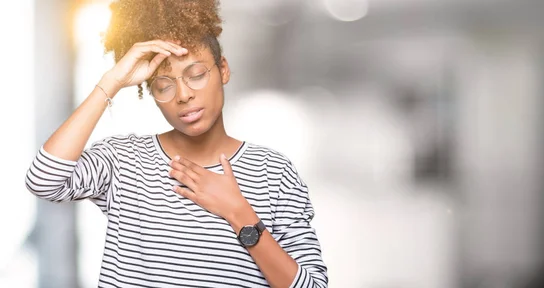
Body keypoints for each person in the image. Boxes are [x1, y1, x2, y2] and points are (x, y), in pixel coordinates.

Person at [24, 0, 328, 287]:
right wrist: (111, 82)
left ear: (223, 69)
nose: (183, 95)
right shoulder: (124, 161)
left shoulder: (274, 171)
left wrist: (238, 212)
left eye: (196, 75)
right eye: (164, 85)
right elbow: (43, 179)